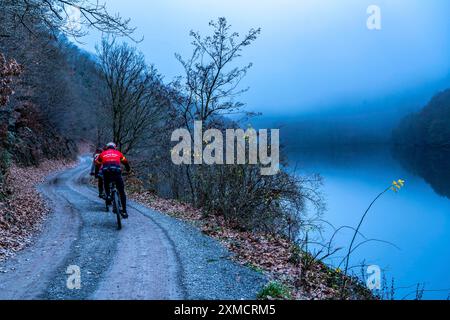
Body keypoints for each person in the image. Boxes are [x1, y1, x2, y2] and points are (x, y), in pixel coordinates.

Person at [95, 142, 131, 218]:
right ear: (115, 147)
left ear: (107, 147)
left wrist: (96, 174)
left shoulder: (102, 154)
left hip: (106, 172)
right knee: (121, 192)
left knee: (106, 183)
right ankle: (124, 211)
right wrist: (128, 170)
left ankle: (108, 195)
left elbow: (97, 165)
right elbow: (125, 162)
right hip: (117, 172)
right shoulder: (118, 153)